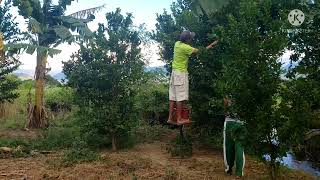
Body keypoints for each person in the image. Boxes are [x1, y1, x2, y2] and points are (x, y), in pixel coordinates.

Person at [167, 30, 218, 125]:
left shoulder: (177, 44)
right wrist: (212, 45)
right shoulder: (186, 47)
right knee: (180, 97)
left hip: (174, 73)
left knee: (173, 96)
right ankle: (179, 119)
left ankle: (170, 118)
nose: (192, 39)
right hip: (181, 74)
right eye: (191, 38)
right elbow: (201, 51)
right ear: (187, 39)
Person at [223, 96, 246, 178]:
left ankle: (229, 169)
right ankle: (239, 173)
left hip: (230, 123)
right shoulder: (246, 90)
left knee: (228, 147)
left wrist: (226, 104)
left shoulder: (228, 90)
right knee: (239, 148)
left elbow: (225, 105)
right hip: (242, 123)